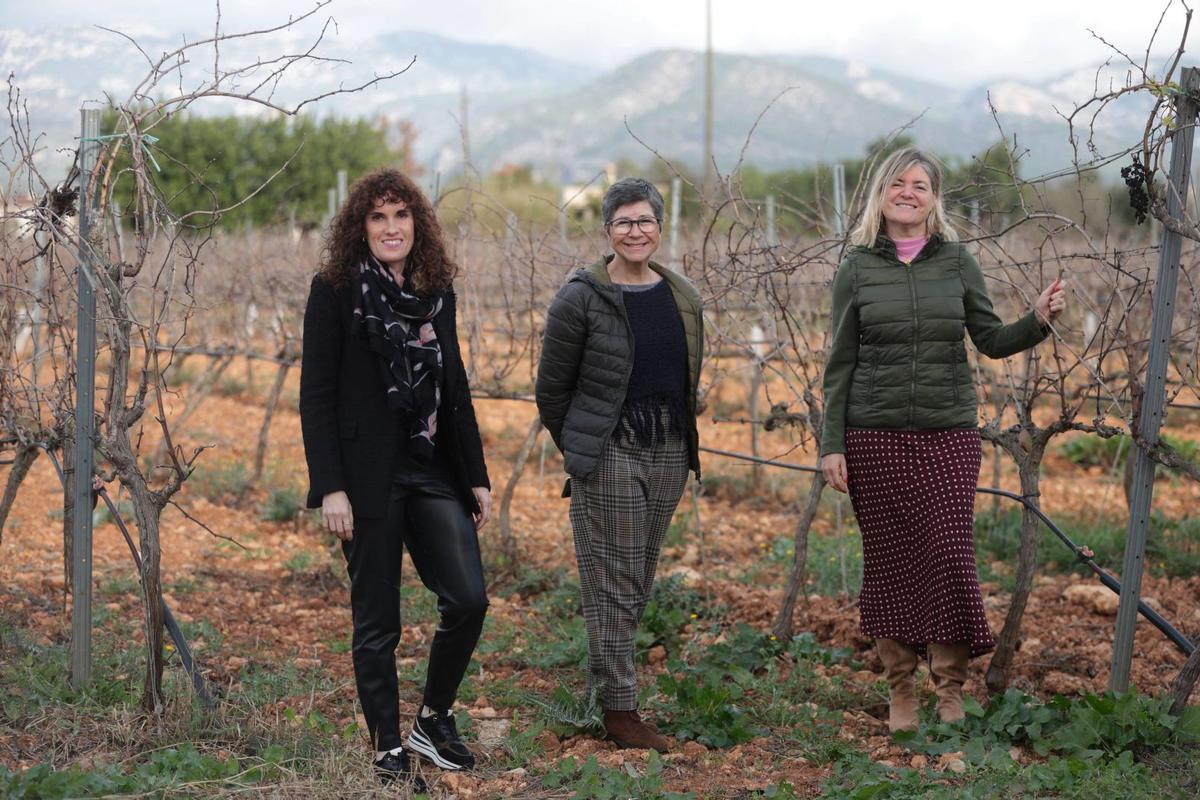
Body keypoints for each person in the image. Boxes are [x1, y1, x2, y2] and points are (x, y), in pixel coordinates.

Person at [818, 147, 1066, 733]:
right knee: (890, 561)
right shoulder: (856, 267)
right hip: (872, 435)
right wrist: (832, 443)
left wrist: (1036, 320)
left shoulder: (957, 261)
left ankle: (950, 689)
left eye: (920, 185)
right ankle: (900, 688)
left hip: (946, 433)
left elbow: (990, 338)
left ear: (934, 198)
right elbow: (840, 361)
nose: (908, 192)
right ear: (881, 193)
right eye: (898, 183)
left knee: (949, 555)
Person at [299, 168, 492, 787]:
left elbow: (454, 387)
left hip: (432, 467)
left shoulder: (438, 293)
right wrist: (330, 486)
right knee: (378, 619)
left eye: (401, 215)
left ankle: (432, 719)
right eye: (378, 217)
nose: (391, 227)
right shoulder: (333, 290)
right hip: (365, 477)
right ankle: (387, 746)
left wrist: (477, 477)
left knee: (468, 598)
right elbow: (316, 395)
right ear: (361, 226)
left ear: (418, 225)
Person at [536, 177, 703, 753]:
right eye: (624, 222)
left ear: (660, 227)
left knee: (635, 576)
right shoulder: (580, 296)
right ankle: (619, 708)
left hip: (669, 451)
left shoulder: (680, 294)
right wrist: (584, 449)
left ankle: (608, 684)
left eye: (646, 221)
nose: (636, 231)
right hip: (609, 449)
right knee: (612, 576)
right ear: (607, 231)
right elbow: (551, 391)